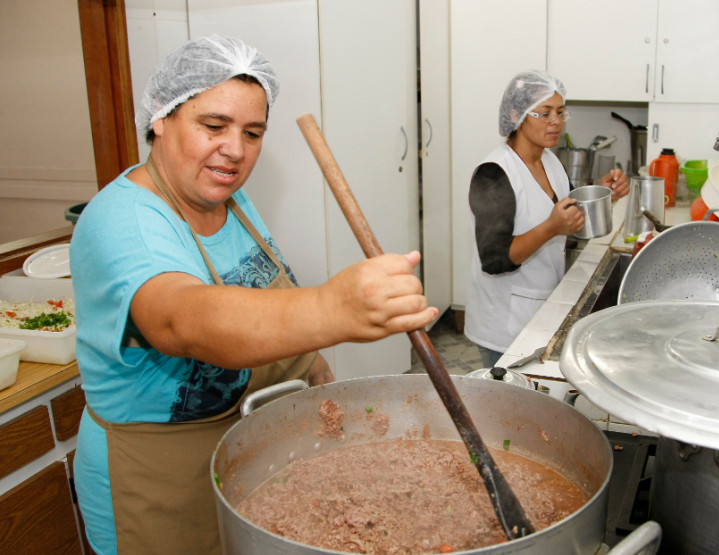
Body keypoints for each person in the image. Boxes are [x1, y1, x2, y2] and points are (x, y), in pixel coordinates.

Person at [70, 35, 436, 555]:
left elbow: (264, 296)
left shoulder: (230, 199)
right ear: (160, 117)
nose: (236, 150)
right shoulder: (121, 220)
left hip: (249, 456)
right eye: (213, 126)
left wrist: (313, 371)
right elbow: (183, 320)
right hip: (157, 486)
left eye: (253, 132)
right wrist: (333, 308)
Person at [464, 70, 629, 368]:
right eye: (544, 113)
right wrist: (552, 228)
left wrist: (605, 196)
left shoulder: (550, 160)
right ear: (516, 114)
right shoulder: (494, 174)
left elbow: (566, 216)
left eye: (561, 112)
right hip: (504, 324)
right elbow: (495, 260)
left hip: (539, 311)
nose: (556, 121)